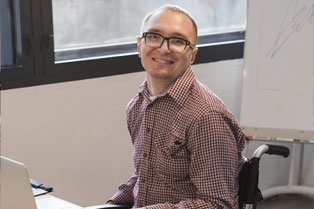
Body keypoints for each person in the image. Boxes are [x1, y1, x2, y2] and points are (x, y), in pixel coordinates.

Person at [108, 4, 246, 209]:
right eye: (154, 36)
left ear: (192, 55)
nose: (164, 48)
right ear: (139, 46)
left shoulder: (207, 117)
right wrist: (109, 205)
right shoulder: (138, 105)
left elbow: (217, 204)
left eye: (178, 41)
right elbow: (144, 176)